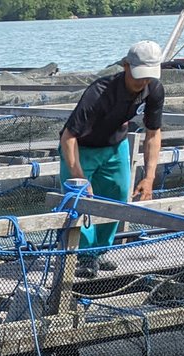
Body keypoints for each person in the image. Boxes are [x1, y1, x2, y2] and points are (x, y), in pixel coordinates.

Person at [59, 40, 166, 275]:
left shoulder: (154, 89)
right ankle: (82, 257)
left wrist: (149, 177)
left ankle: (99, 251)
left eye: (148, 76)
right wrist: (79, 176)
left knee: (117, 197)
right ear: (126, 66)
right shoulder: (99, 92)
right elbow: (68, 136)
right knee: (80, 200)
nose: (142, 82)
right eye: (138, 75)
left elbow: (153, 133)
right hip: (82, 148)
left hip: (115, 146)